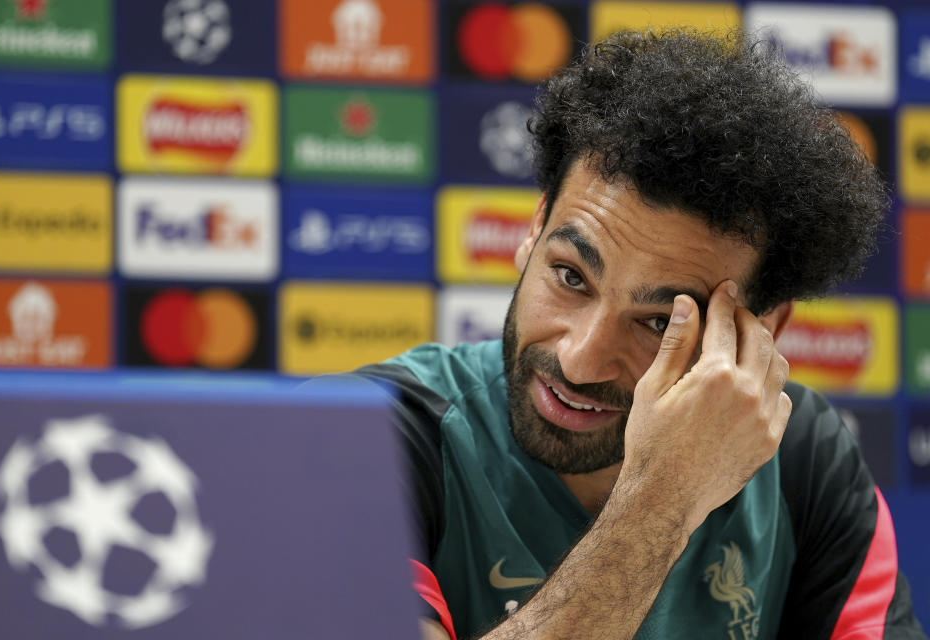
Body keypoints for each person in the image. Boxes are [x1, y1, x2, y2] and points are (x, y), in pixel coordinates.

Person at [359, 29, 927, 640]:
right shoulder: (377, 435)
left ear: (761, 332)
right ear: (534, 228)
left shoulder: (802, 457)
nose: (580, 360)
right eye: (570, 277)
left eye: (661, 322)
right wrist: (661, 503)